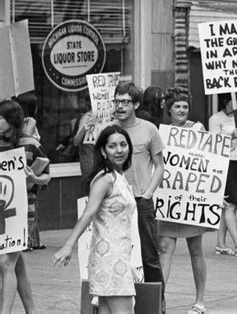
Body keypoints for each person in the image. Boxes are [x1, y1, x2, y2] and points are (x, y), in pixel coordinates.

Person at [52, 125, 136, 313]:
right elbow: (88, 214)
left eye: (123, 144)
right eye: (112, 146)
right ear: (103, 151)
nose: (119, 150)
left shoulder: (119, 176)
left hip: (117, 255)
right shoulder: (105, 179)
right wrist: (68, 245)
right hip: (111, 258)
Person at [158, 87, 208, 314]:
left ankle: (200, 301)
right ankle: (160, 300)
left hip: (192, 200)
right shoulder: (162, 133)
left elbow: (209, 163)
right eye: (177, 106)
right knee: (165, 248)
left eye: (185, 106)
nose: (181, 110)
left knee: (196, 249)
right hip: (170, 200)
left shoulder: (197, 128)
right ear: (169, 109)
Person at [0, 99, 51, 314]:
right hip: (2, 214)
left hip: (23, 212)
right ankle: (32, 310)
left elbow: (47, 175)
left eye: (1, 117)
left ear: (11, 120)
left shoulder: (30, 143)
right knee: (16, 264)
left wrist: (35, 178)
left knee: (5, 263)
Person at [114, 82, 166, 284]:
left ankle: (157, 304)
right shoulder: (110, 130)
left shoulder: (149, 129)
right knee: (118, 253)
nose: (120, 106)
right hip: (115, 200)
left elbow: (159, 165)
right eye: (117, 101)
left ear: (136, 105)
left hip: (141, 201)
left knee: (149, 256)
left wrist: (148, 193)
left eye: (125, 102)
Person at [209, 93, 237, 256]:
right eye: (234, 100)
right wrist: (228, 136)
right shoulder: (215, 119)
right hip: (222, 161)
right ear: (226, 102)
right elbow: (212, 142)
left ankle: (220, 243)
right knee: (229, 205)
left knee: (229, 204)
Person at [16, 92, 47, 250]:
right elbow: (26, 141)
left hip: (32, 168)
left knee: (32, 206)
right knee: (30, 207)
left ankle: (32, 240)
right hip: (28, 167)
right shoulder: (29, 122)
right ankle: (27, 240)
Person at [73, 104, 95, 196]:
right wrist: (83, 130)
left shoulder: (110, 117)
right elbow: (75, 141)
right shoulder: (87, 117)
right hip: (90, 165)